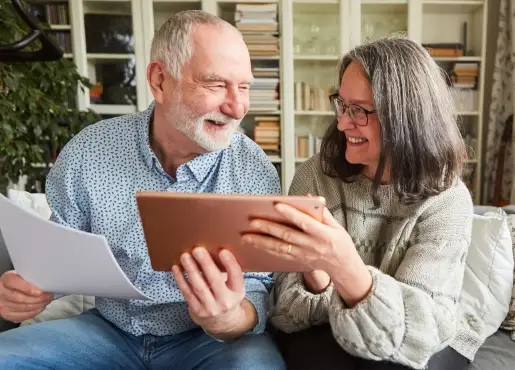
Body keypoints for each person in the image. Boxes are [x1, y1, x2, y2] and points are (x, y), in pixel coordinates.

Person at [0, 10, 285, 370]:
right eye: (216, 85)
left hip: (211, 341)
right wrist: (26, 289)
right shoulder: (90, 151)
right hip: (109, 332)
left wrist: (230, 319)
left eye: (244, 87)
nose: (237, 106)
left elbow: (261, 284)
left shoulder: (252, 168)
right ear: (159, 80)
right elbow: (59, 258)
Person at [241, 35, 481, 370]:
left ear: (405, 117)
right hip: (332, 328)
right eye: (342, 104)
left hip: (423, 337)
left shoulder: (448, 199)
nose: (341, 123)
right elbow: (286, 314)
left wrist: (343, 264)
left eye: (359, 110)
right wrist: (316, 276)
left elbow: (418, 331)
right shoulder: (315, 176)